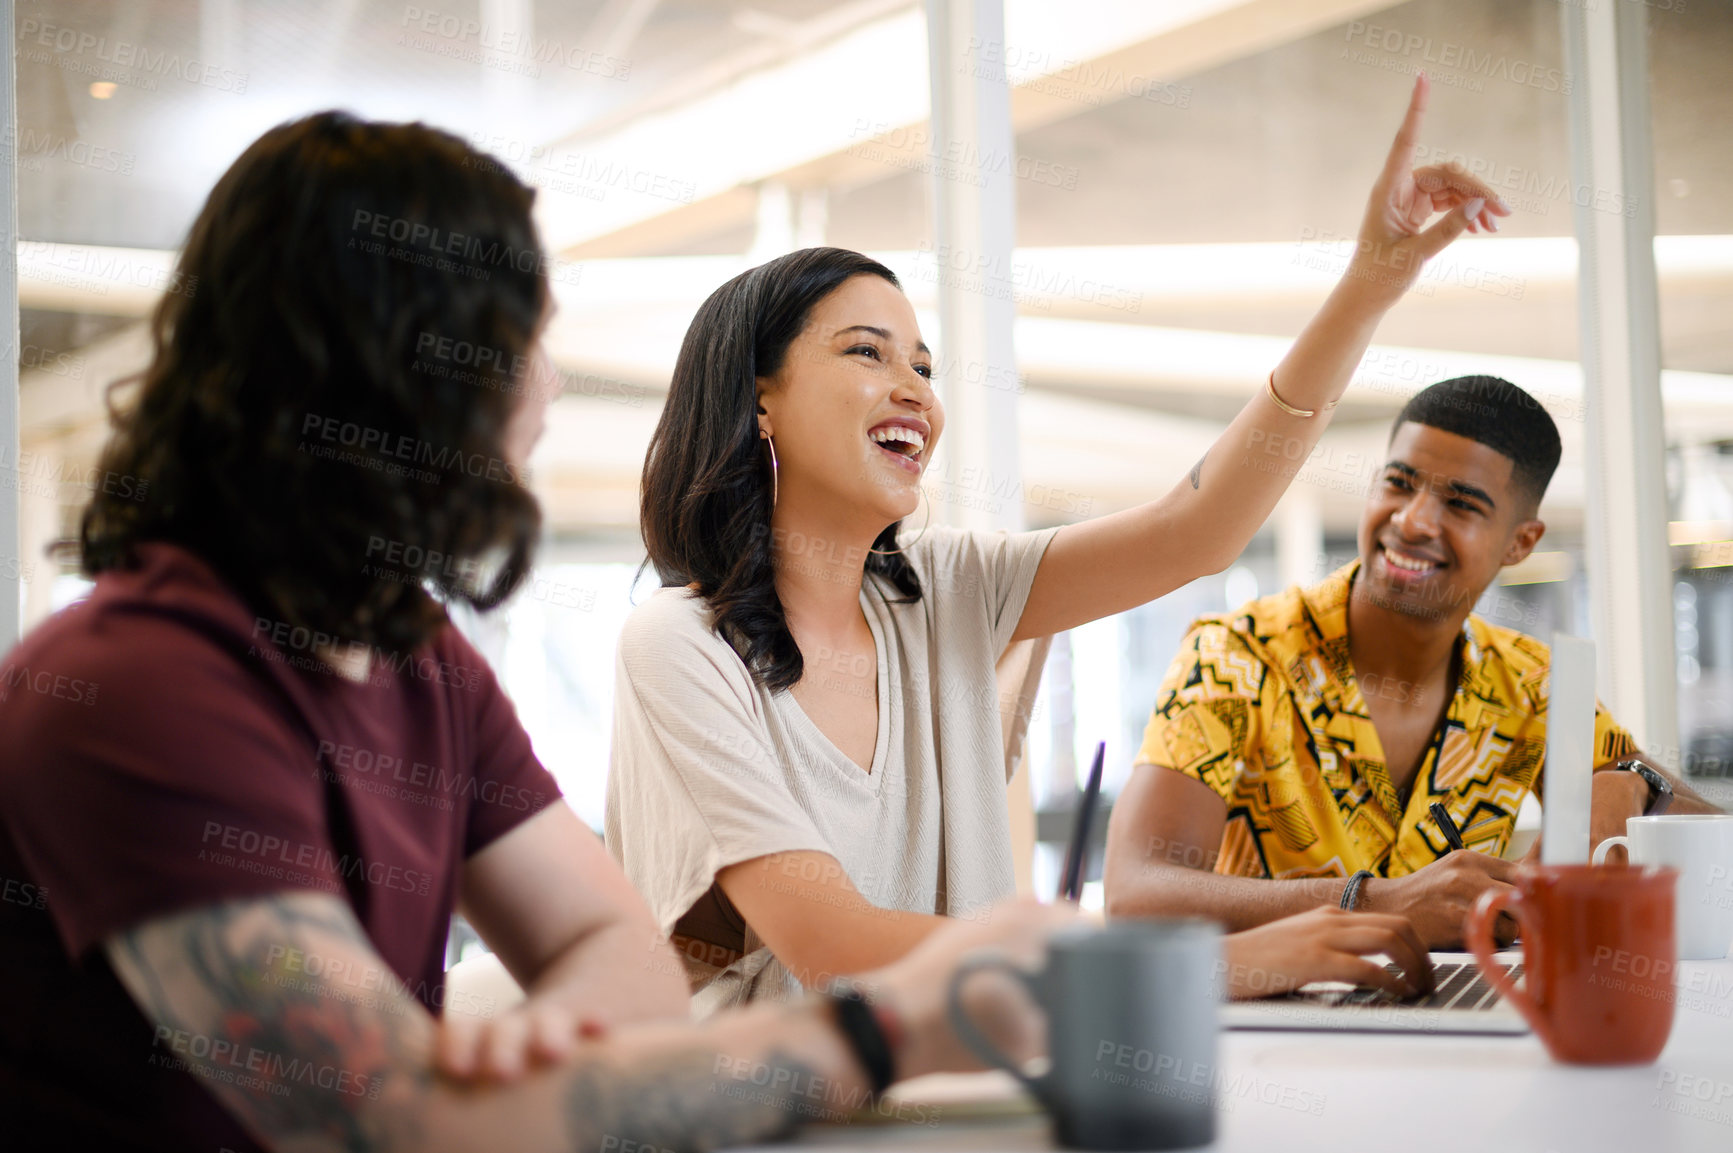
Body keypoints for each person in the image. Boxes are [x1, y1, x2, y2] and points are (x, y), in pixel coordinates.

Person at [0, 110, 1093, 1153]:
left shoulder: (417, 659)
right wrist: (887, 1026)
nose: (549, 380)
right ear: (406, 363)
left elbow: (619, 957)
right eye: (521, 337)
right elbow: (395, 1123)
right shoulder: (138, 689)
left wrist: (541, 1058)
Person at [607, 73, 1505, 1011]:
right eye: (866, 352)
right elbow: (834, 947)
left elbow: (1197, 529)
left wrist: (1366, 288)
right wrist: (1219, 964)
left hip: (967, 1069)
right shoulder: (680, 646)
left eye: (924, 365)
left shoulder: (947, 585)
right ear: (758, 399)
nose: (915, 388)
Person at [1103, 375, 1722, 947]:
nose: (1413, 520)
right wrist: (1377, 902)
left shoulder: (1530, 684)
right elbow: (1135, 894)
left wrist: (1636, 783)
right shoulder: (1236, 656)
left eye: (1462, 504)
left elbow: (1715, 840)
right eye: (1399, 483)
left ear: (1520, 543)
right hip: (1270, 1031)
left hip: (1457, 1035)